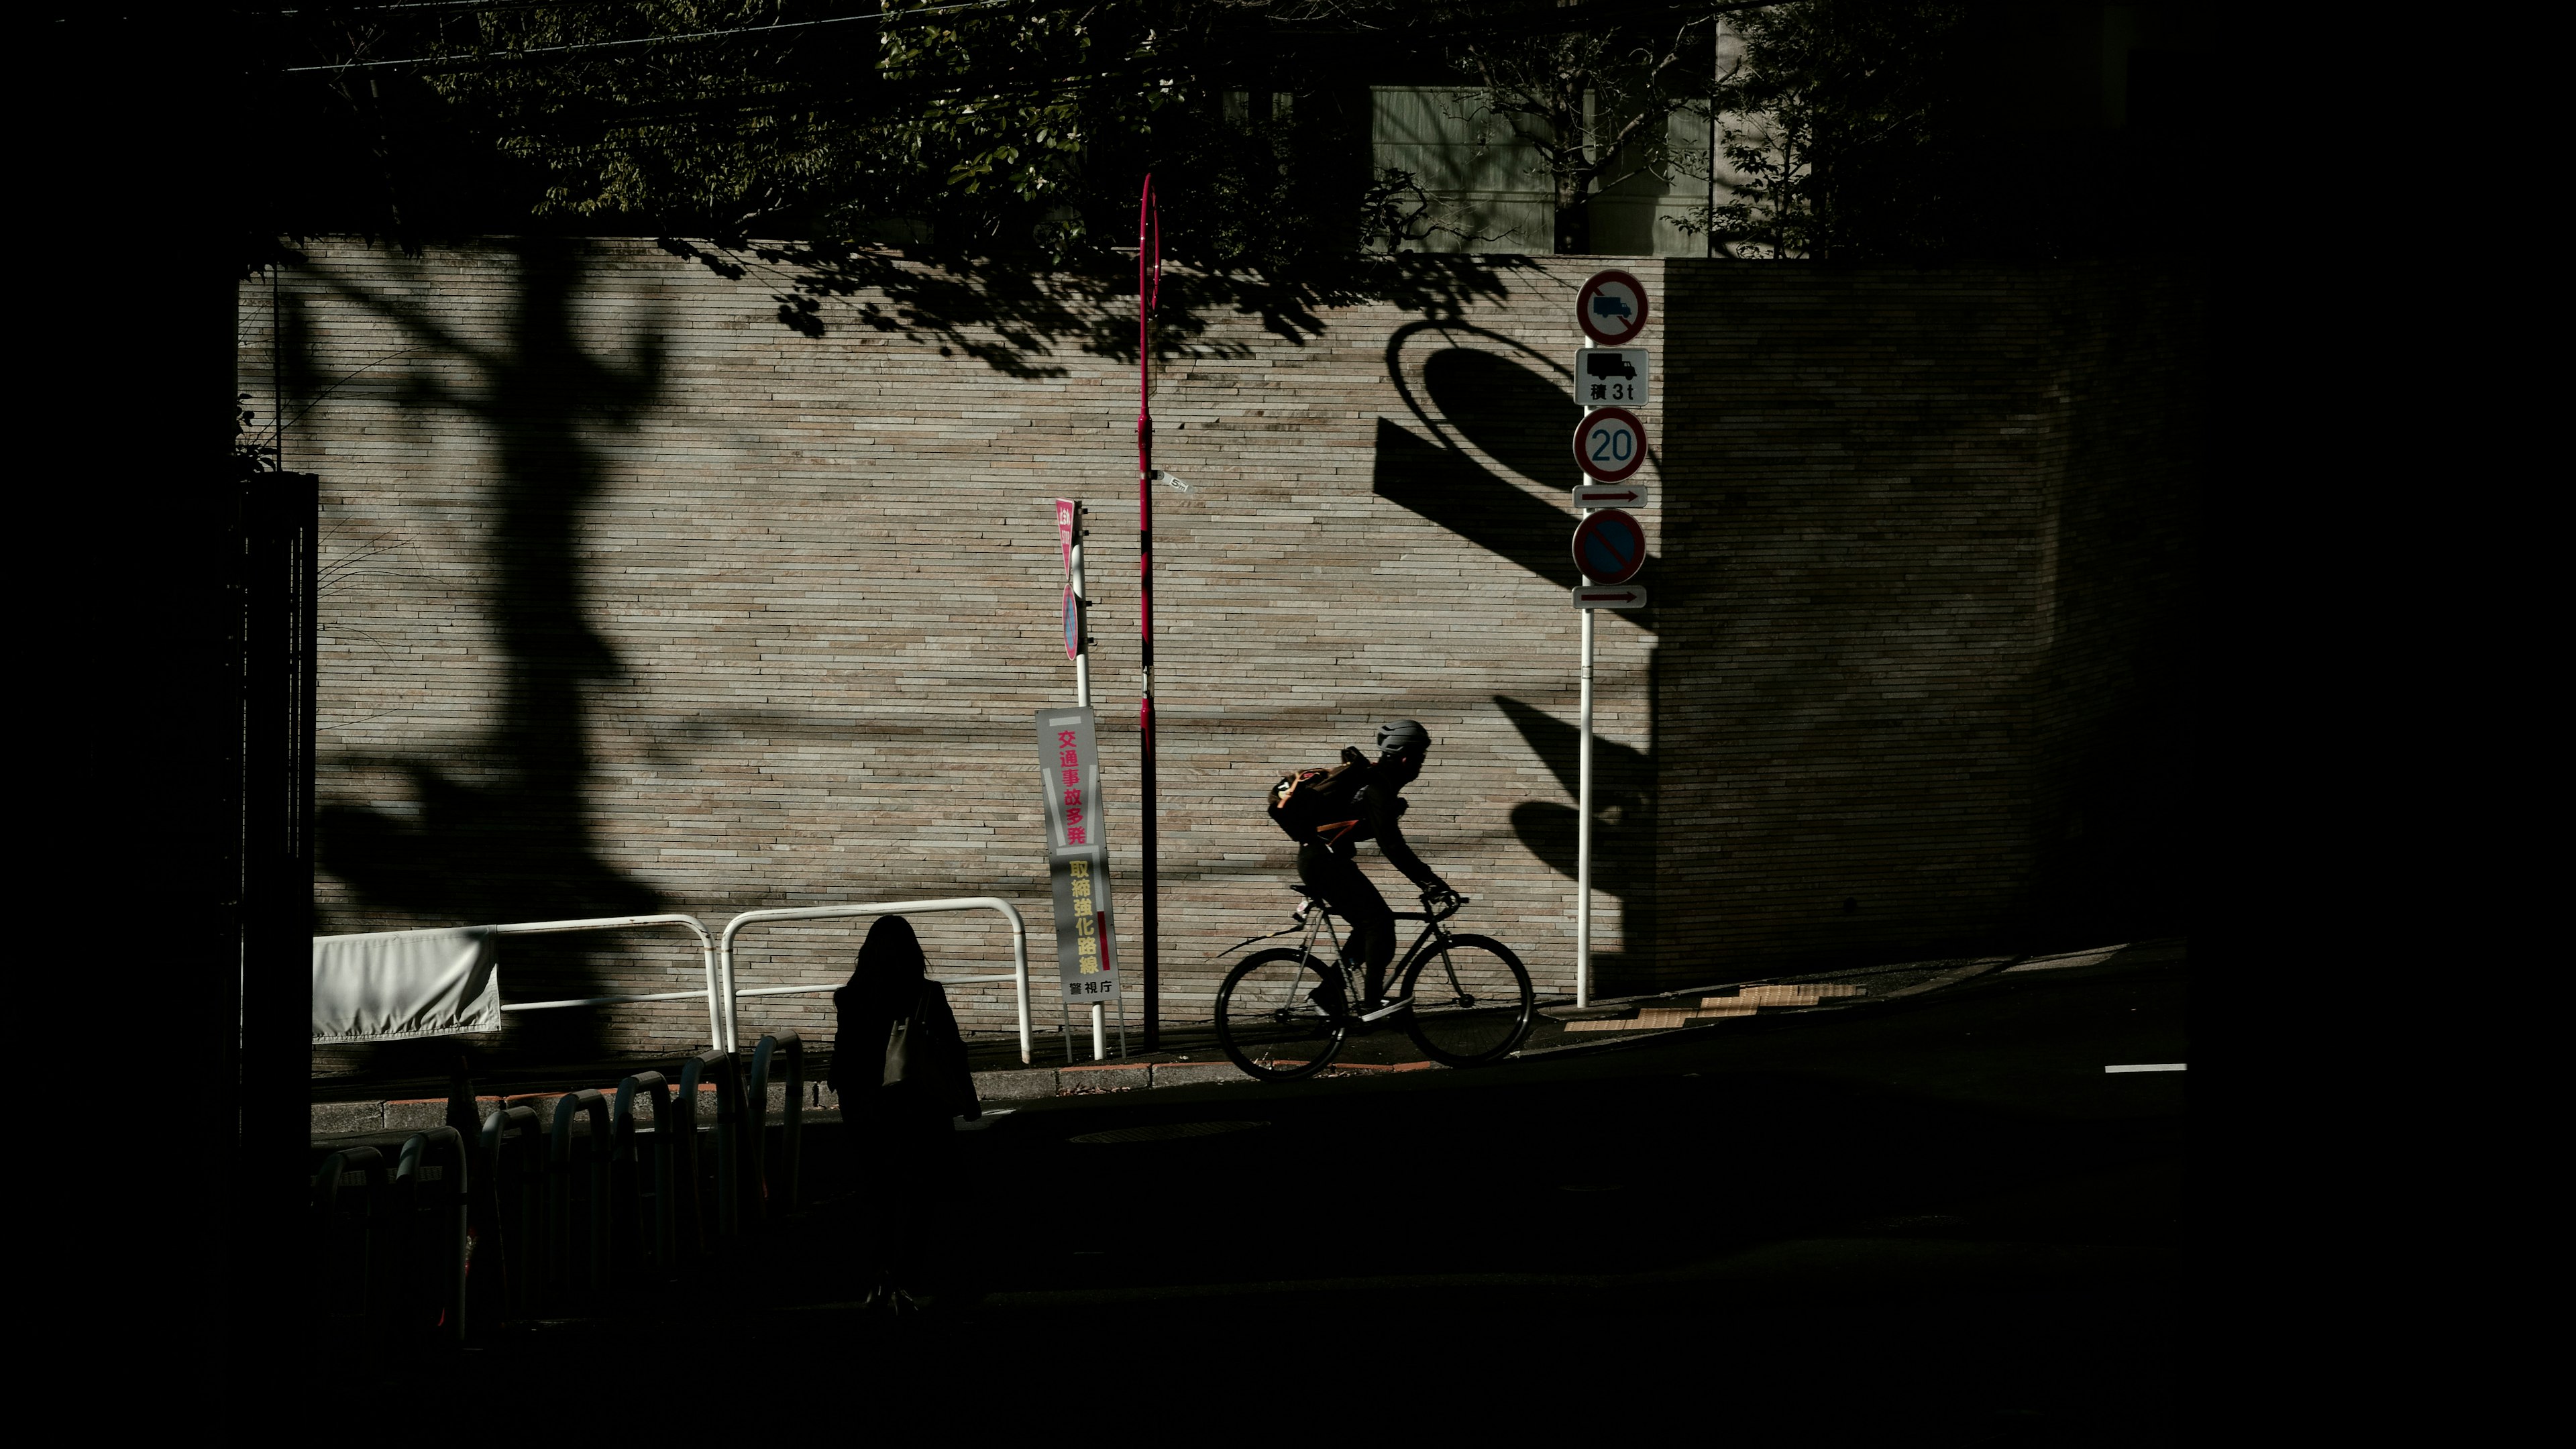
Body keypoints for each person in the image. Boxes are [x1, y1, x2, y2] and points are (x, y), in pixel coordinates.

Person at [828, 914, 979, 1313]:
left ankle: (877, 1275)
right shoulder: (927, 993)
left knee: (877, 1190)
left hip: (865, 1104)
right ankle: (903, 1278)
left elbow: (845, 1055)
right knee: (917, 1192)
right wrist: (969, 1099)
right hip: (918, 1104)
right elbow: (952, 1048)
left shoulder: (850, 995)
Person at [1294, 718, 1458, 1018]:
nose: (1421, 764)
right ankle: (1371, 1003)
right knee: (1379, 924)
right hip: (1324, 863)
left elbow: (1355, 826)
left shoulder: (1377, 782)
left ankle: (1327, 995)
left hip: (1324, 860)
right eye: (1421, 757)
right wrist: (1430, 882)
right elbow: (1392, 846)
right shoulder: (1378, 785)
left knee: (1369, 927)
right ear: (1407, 757)